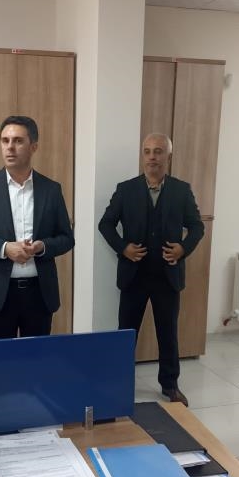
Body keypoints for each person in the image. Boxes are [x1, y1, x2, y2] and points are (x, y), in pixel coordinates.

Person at [98, 132, 204, 407]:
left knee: (167, 332)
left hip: (167, 275)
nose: (152, 157)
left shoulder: (181, 190)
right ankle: (118, 384)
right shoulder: (126, 189)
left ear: (168, 156)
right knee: (126, 333)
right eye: (147, 151)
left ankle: (170, 385)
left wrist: (183, 249)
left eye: (158, 151)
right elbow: (105, 224)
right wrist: (123, 248)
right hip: (133, 275)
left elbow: (197, 227)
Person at [0, 115, 74, 339]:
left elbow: (66, 238)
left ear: (33, 147)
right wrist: (4, 248)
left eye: (18, 141)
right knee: (0, 357)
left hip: (39, 293)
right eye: (5, 140)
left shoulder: (51, 189)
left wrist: (41, 247)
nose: (10, 147)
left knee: (37, 356)